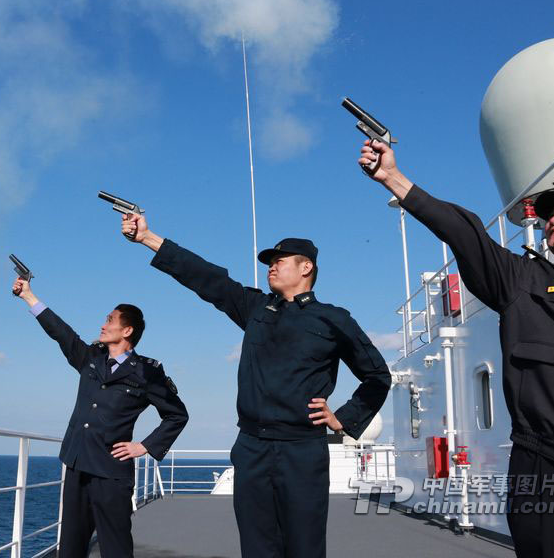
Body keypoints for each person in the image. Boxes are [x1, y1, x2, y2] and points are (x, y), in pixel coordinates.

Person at [357, 138, 554, 556]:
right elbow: (465, 232)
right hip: (542, 470)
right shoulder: (519, 280)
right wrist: (392, 176)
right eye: (551, 213)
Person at [119, 214, 392, 558]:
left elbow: (378, 376)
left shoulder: (333, 318)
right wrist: (148, 238)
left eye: (279, 262)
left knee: (304, 547)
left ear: (306, 267)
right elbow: (206, 277)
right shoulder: (256, 309)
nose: (271, 269)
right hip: (251, 448)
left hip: (302, 451)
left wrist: (344, 418)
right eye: (270, 264)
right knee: (257, 548)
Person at [12, 276, 188, 558]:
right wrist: (29, 297)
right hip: (77, 464)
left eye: (110, 320)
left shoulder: (147, 373)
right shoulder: (90, 358)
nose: (103, 325)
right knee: (70, 547)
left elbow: (177, 415)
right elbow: (62, 333)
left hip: (111, 473)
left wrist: (144, 446)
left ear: (127, 330)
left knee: (115, 548)